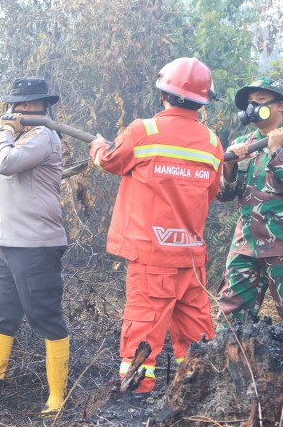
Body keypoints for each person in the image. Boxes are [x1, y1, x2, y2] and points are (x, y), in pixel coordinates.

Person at [89, 57, 224, 394]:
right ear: (203, 101)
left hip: (152, 258)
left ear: (163, 93)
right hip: (191, 259)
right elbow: (211, 193)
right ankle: (201, 402)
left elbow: (109, 161)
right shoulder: (212, 143)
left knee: (142, 337)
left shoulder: (143, 131)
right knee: (198, 342)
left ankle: (134, 405)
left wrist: (96, 146)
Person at [0, 77, 70, 414]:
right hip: (9, 244)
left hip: (36, 245)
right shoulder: (24, 138)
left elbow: (7, 162)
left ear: (25, 106)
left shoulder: (43, 136)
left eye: (13, 105)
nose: (8, 111)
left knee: (45, 316)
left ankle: (56, 397)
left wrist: (4, 133)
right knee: (2, 316)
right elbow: (1, 173)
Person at [217, 77, 283, 323]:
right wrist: (230, 166)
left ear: (280, 105)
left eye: (261, 101)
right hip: (246, 246)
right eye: (251, 102)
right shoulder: (242, 145)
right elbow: (224, 194)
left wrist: (277, 151)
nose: (254, 107)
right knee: (231, 320)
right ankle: (237, 361)